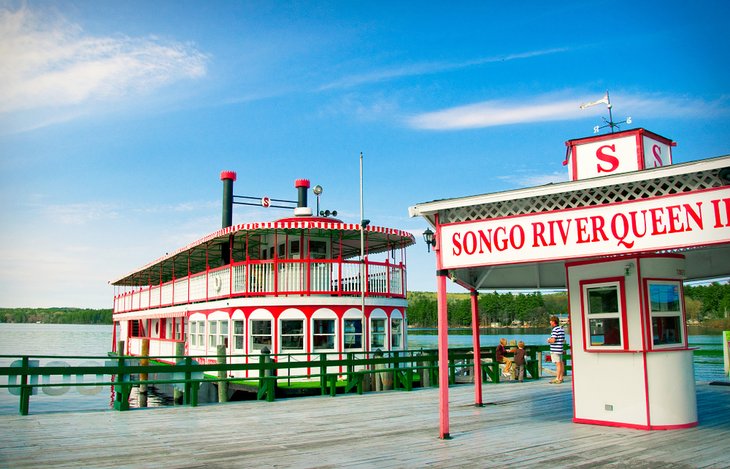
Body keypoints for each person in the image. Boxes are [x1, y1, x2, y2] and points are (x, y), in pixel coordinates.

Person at [547, 315, 565, 384]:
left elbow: (553, 340)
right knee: (561, 363)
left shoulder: (555, 330)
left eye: (551, 321)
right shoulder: (561, 329)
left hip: (555, 349)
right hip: (560, 348)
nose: (550, 323)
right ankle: (561, 378)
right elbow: (563, 339)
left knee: (558, 364)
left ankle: (557, 378)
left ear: (554, 322)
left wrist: (548, 340)